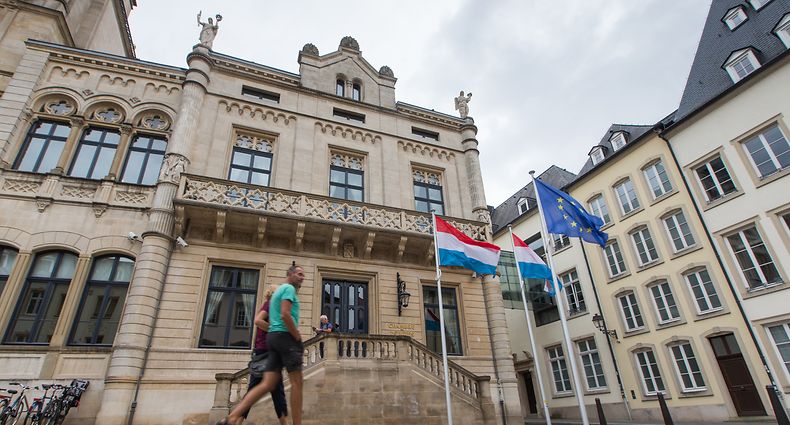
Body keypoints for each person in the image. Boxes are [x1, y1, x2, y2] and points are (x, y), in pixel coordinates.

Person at [218, 265, 305, 425]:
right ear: (290, 274)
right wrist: (296, 336)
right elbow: (285, 314)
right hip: (285, 338)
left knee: (267, 383)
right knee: (297, 383)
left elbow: (271, 318)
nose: (302, 277)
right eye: (299, 274)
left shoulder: (276, 293)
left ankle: (230, 419)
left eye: (303, 274)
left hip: (272, 338)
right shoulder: (288, 289)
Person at [241, 285, 287, 424]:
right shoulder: (270, 304)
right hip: (267, 352)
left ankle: (235, 419)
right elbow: (257, 321)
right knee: (277, 392)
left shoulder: (270, 306)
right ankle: (233, 419)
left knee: (275, 392)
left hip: (266, 351)